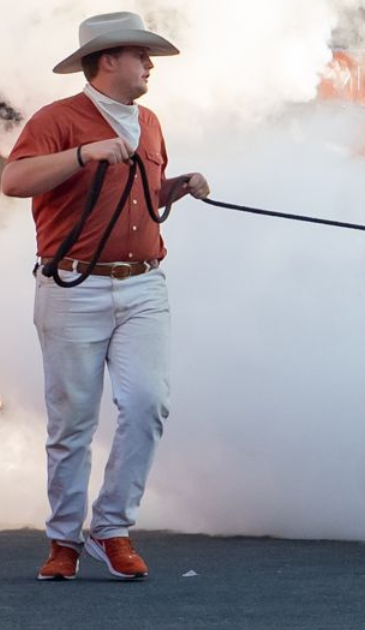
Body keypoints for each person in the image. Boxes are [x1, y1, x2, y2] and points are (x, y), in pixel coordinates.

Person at [0, 11, 209, 581]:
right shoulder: (57, 119)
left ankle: (111, 526)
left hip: (143, 282)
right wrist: (81, 155)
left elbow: (138, 197)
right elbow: (12, 181)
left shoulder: (152, 121)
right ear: (108, 60)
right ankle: (64, 539)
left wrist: (177, 186)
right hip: (72, 285)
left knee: (147, 404)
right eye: (140, 55)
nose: (148, 65)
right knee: (72, 421)